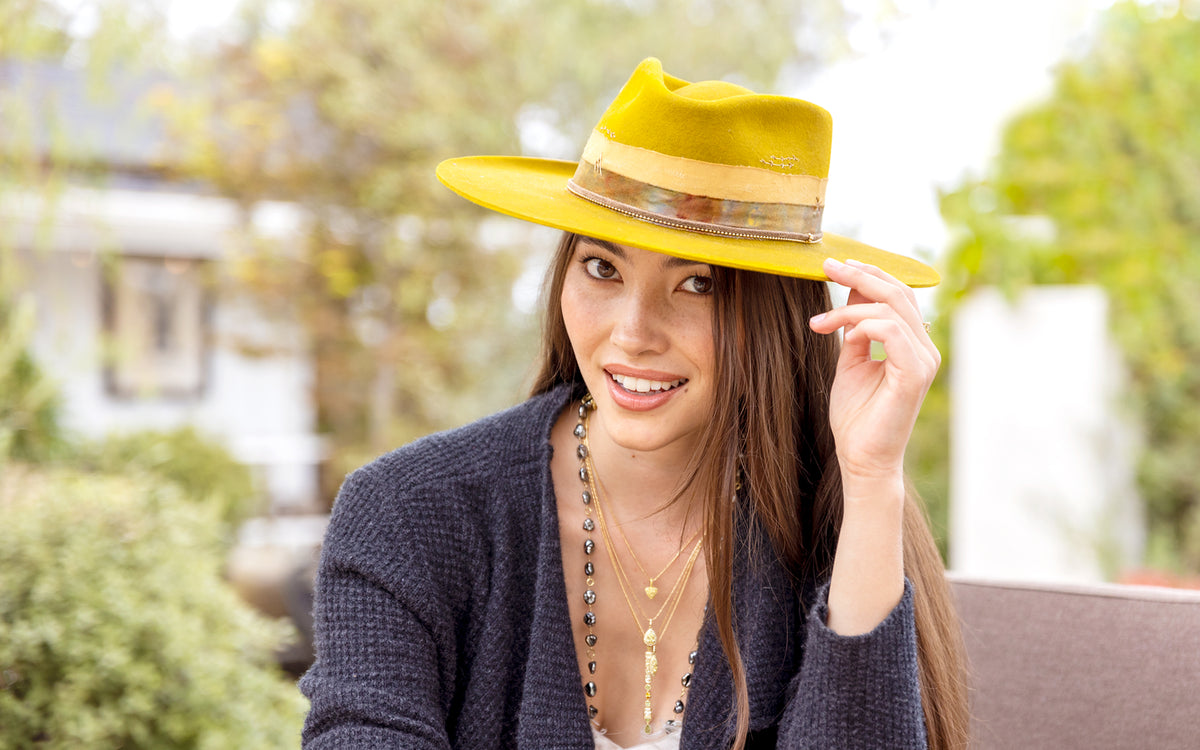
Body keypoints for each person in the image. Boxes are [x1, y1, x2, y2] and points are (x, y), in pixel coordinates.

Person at [300, 58, 969, 750]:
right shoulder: (406, 514)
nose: (632, 333)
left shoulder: (835, 518)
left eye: (698, 285)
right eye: (601, 267)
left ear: (775, 322)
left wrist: (872, 480)